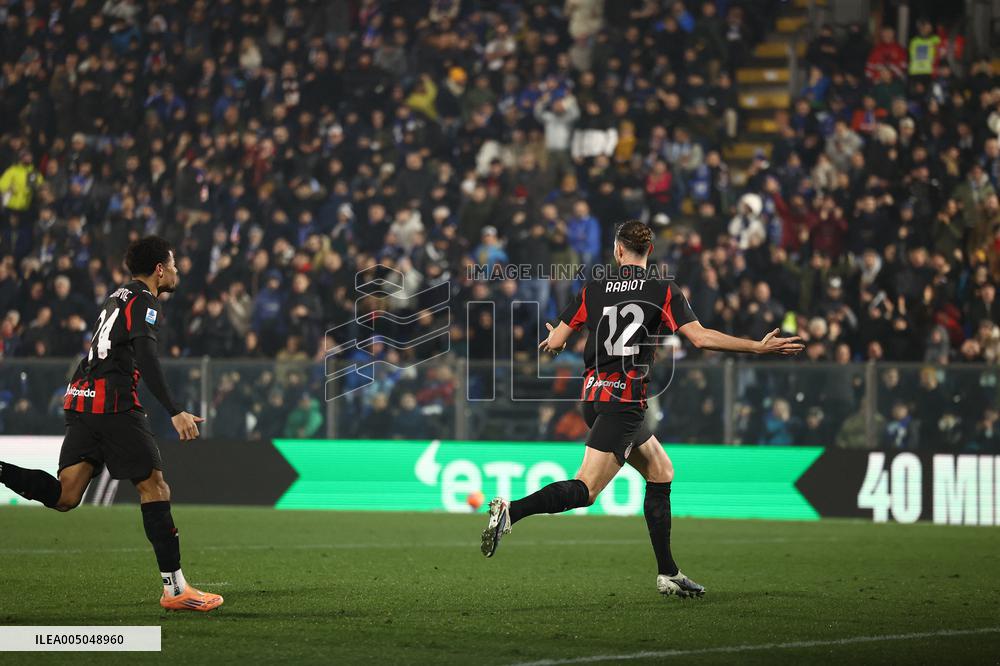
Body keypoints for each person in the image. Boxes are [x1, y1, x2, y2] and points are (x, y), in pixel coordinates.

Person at [480, 221, 804, 597]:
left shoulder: (593, 289)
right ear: (649, 253)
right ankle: (512, 511)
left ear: (618, 251)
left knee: (661, 471)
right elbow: (701, 338)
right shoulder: (663, 289)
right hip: (625, 404)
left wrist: (554, 338)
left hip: (593, 398)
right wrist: (757, 347)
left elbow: (555, 340)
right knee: (585, 490)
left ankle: (669, 572)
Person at [0, 236, 223, 612]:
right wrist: (174, 409)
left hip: (82, 400)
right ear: (159, 269)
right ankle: (175, 590)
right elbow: (147, 356)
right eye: (173, 264)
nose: (177, 270)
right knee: (154, 486)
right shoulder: (146, 301)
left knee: (66, 495)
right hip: (114, 403)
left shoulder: (117, 296)